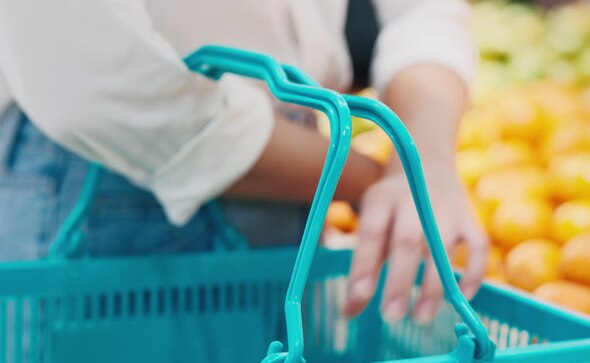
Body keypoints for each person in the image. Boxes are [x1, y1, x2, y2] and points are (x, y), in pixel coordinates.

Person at [0, 0, 488, 325]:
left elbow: (421, 12)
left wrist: (425, 159)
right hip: (109, 166)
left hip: (299, 157)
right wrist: (375, 178)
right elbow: (95, 86)